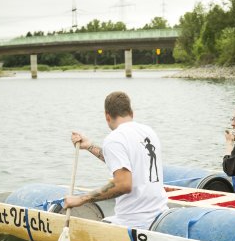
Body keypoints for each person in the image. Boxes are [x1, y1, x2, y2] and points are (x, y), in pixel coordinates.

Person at [64, 91, 168, 229]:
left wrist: (82, 198)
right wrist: (89, 146)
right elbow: (123, 163)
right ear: (131, 112)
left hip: (134, 221)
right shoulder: (148, 132)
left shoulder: (114, 138)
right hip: (160, 214)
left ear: (107, 116)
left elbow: (123, 184)